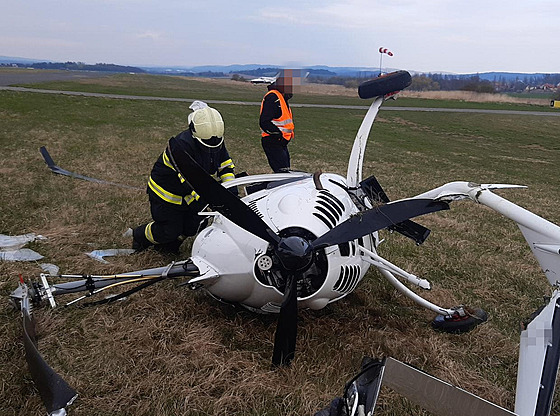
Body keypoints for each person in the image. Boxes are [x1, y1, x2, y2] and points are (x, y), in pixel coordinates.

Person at [132, 102, 235, 253]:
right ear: (194, 132)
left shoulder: (213, 139)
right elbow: (189, 182)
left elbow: (225, 165)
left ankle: (169, 246)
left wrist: (231, 191)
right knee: (169, 229)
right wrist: (214, 199)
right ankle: (140, 235)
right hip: (166, 195)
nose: (210, 147)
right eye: (206, 144)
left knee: (193, 225)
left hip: (192, 191)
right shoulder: (181, 147)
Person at [259, 69, 298, 173]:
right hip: (273, 141)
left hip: (280, 143)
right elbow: (264, 122)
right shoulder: (273, 97)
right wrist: (278, 135)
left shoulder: (282, 97)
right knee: (282, 173)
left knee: (284, 172)